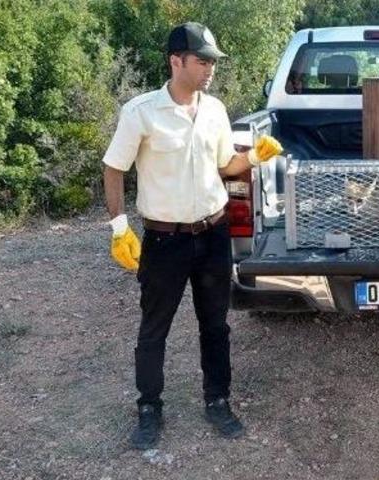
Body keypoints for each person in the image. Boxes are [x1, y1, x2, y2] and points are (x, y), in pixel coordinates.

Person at [102, 22, 281, 450]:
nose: (210, 69)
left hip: (213, 233)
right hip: (165, 242)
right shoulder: (141, 112)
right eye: (202, 61)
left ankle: (218, 401)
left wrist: (253, 157)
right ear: (176, 60)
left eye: (213, 62)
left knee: (215, 326)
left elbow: (225, 166)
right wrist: (119, 226)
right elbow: (113, 169)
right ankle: (149, 408)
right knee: (154, 329)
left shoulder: (215, 110)